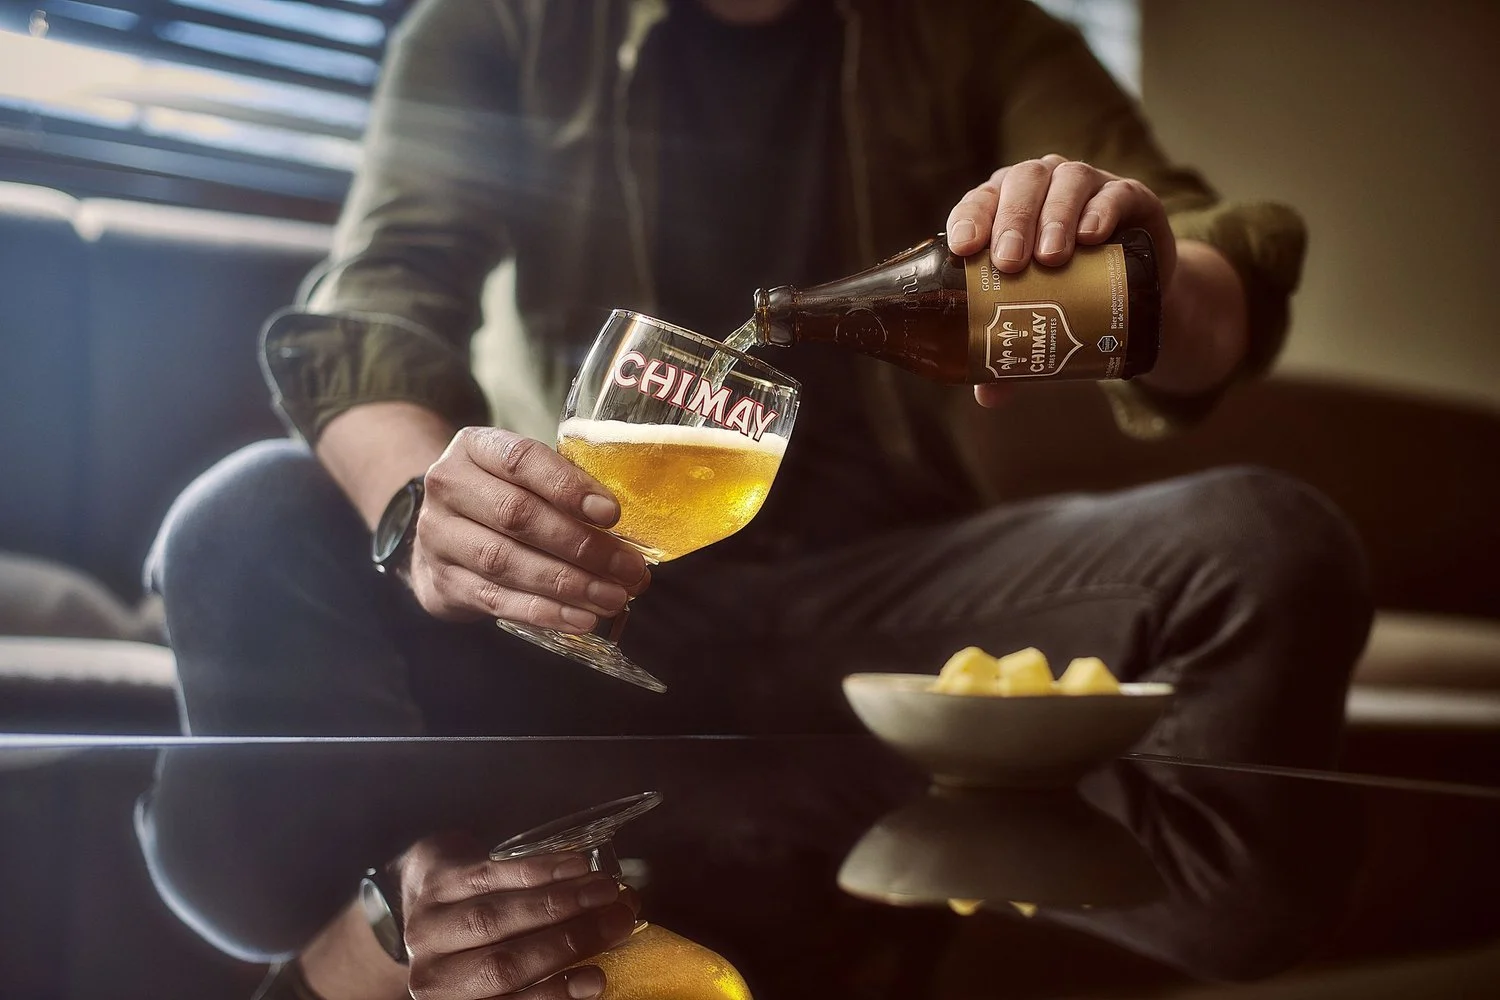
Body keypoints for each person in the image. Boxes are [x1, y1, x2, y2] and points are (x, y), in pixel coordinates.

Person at [140, 0, 1373, 995]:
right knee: (246, 514)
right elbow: (376, 303)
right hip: (588, 595)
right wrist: (426, 507)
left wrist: (1146, 272)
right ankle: (410, 896)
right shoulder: (496, 25)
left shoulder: (980, 31)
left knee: (1267, 539)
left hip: (889, 602)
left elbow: (1218, 292)